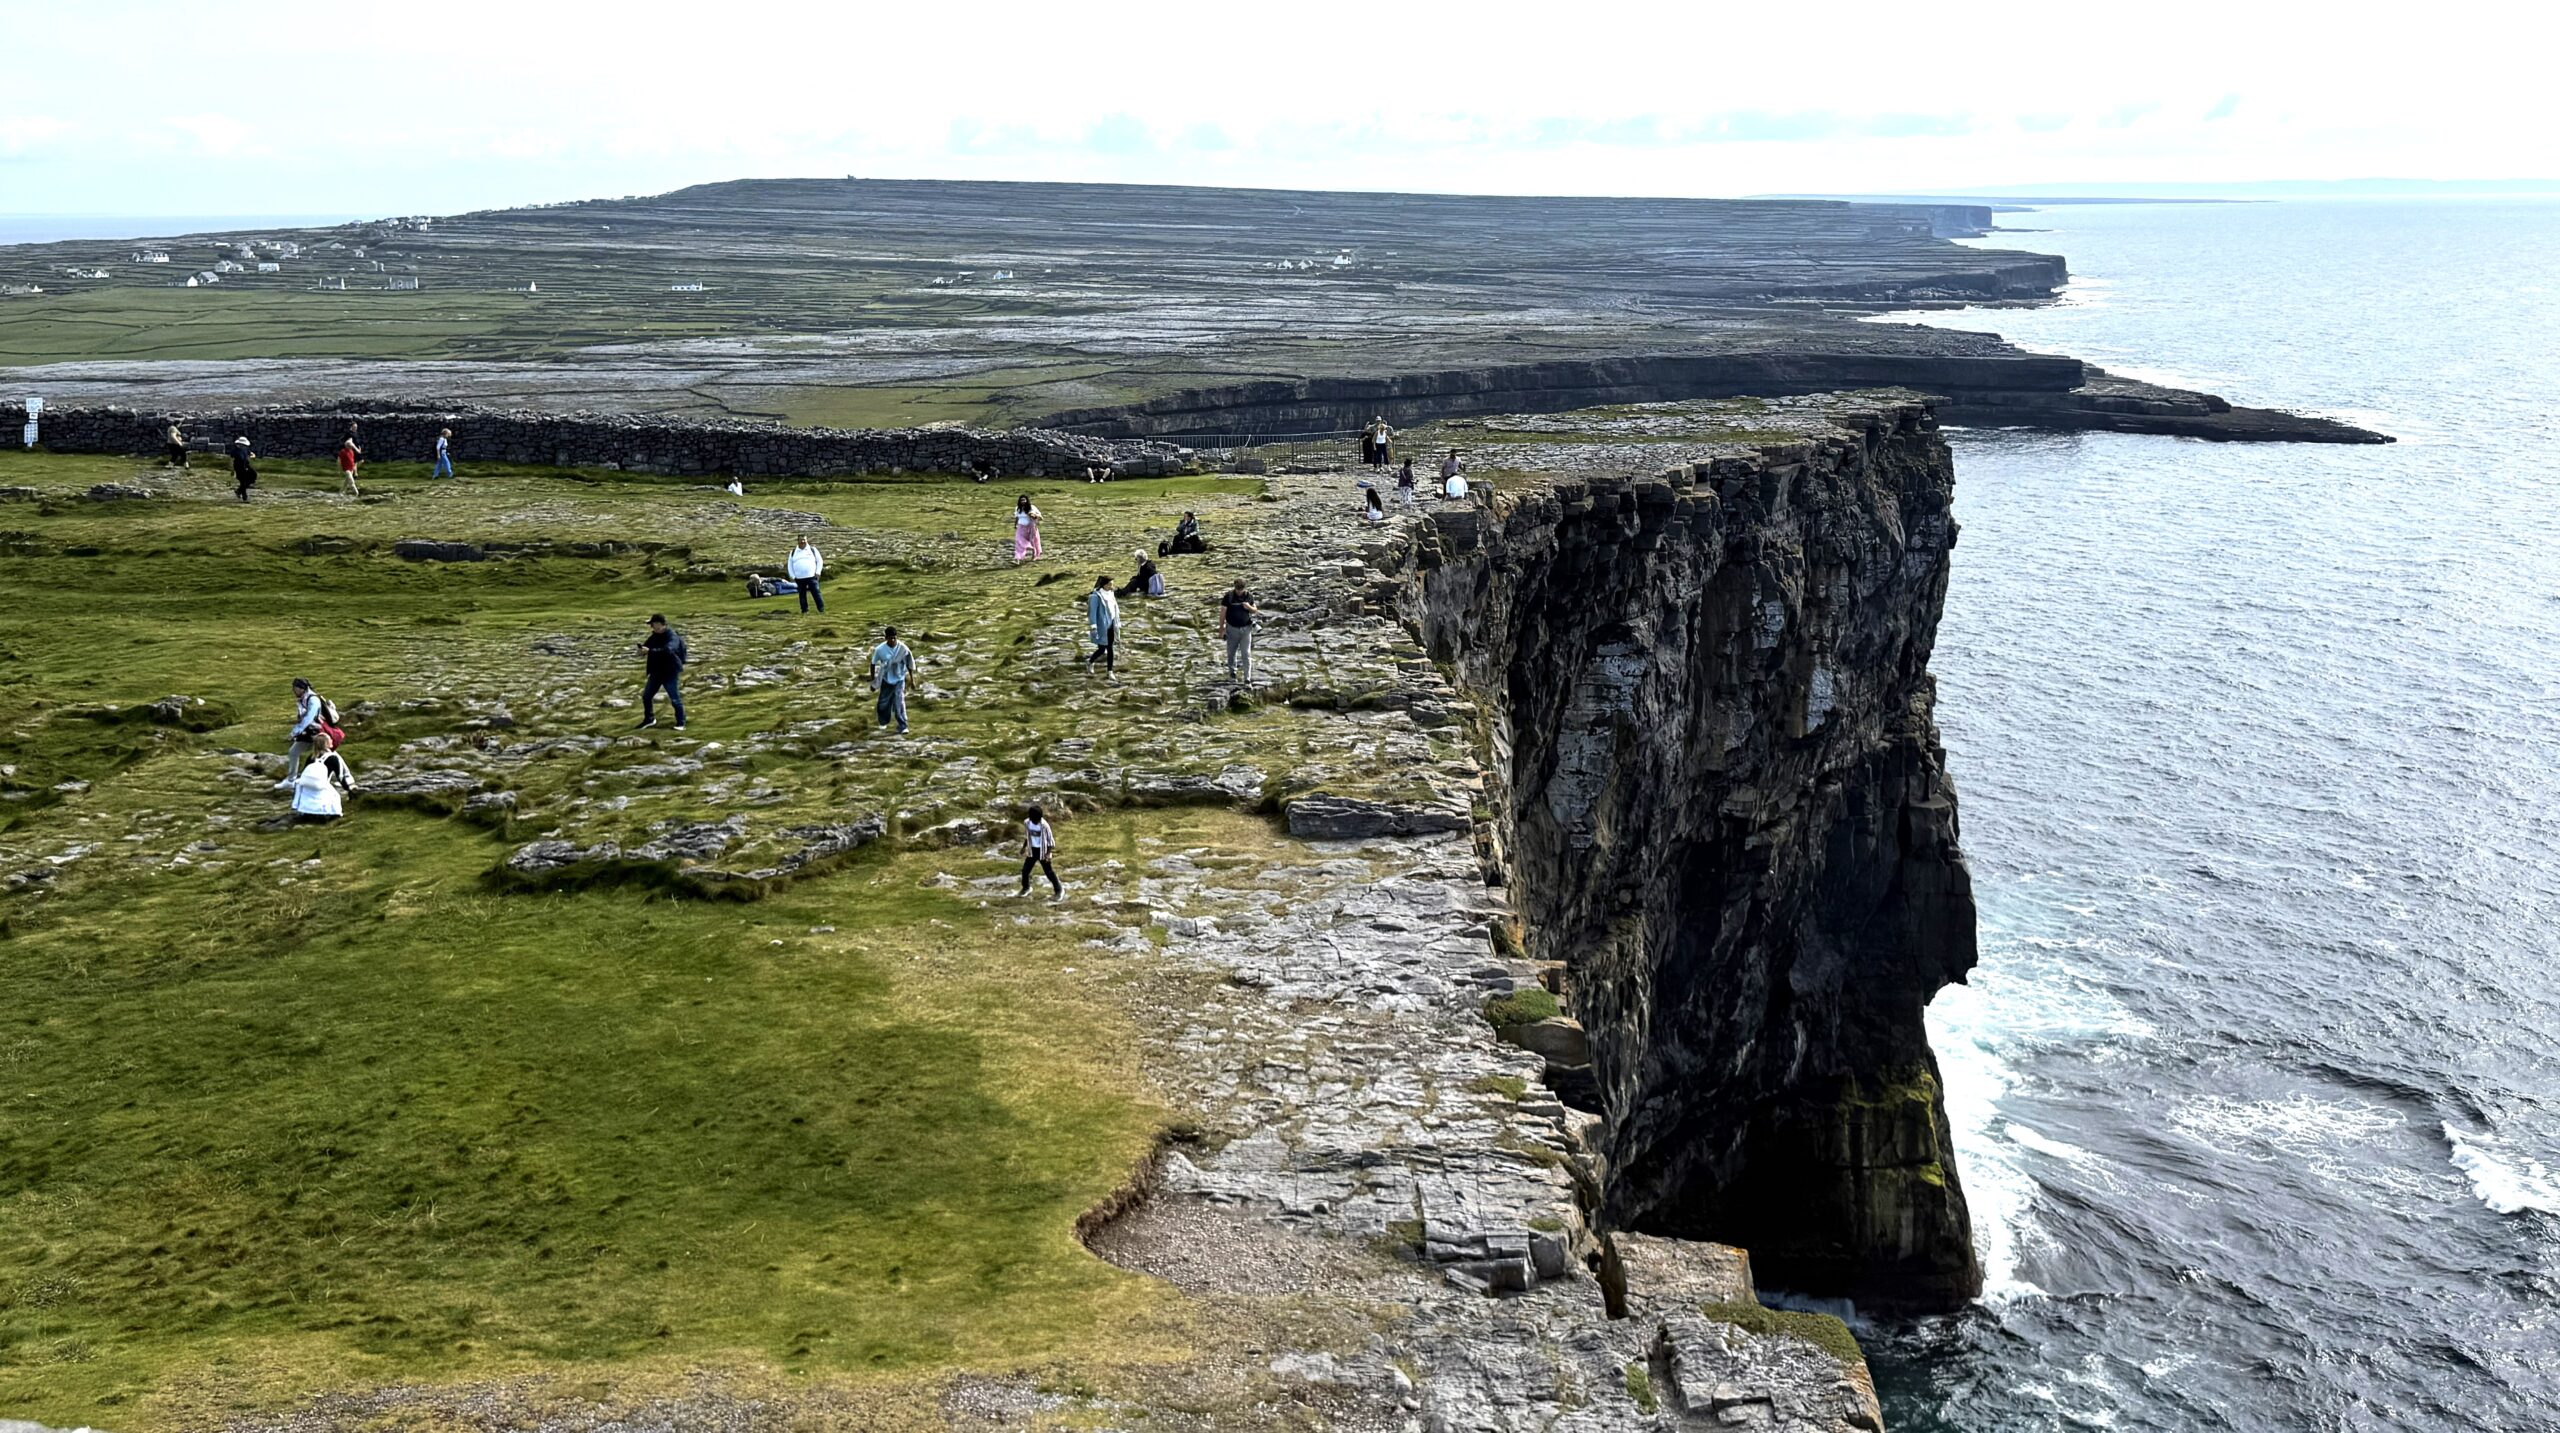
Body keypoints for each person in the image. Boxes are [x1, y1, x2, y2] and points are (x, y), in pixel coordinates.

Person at [290, 729, 355, 822]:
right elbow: (340, 777)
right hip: (322, 787)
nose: (332, 741)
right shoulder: (333, 758)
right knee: (335, 797)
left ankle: (306, 812)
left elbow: (303, 773)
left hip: (307, 790)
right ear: (326, 744)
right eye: (330, 740)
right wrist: (349, 789)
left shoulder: (311, 757)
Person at [637, 613, 687, 730]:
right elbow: (647, 647)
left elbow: (669, 649)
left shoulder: (672, 636)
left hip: (670, 671)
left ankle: (681, 723)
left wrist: (650, 651)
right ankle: (649, 719)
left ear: (660, 624)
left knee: (675, 698)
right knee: (647, 696)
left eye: (653, 624)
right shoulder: (654, 636)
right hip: (656, 672)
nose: (651, 627)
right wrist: (641, 651)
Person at [282, 677, 331, 779]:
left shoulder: (313, 700)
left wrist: (294, 732)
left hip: (317, 732)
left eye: (294, 688)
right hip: (308, 731)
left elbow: (309, 718)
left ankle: (334, 776)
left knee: (326, 755)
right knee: (293, 752)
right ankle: (291, 779)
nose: (293, 690)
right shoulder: (303, 698)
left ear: (301, 688)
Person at [869, 626, 915, 734]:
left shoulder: (903, 649)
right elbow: (873, 663)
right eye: (890, 638)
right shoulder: (880, 649)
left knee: (899, 702)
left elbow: (909, 664)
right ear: (886, 638)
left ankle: (903, 726)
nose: (892, 640)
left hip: (899, 679)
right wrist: (873, 679)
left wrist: (912, 680)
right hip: (886, 679)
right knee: (883, 703)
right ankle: (883, 721)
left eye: (894, 638)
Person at [1017, 804, 1062, 898]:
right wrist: (1024, 847)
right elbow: (1027, 836)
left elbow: (1051, 841)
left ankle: (1059, 890)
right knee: (1025, 871)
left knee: (1049, 872)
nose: (1036, 821)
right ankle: (1026, 888)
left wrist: (1048, 854)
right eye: (1034, 819)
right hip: (1032, 851)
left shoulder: (1045, 826)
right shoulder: (1027, 823)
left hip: (1043, 851)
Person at [1219, 580, 1258, 681]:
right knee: (1231, 652)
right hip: (1232, 629)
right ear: (1235, 587)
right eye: (1237, 589)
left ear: (1244, 588)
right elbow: (1223, 613)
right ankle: (1232, 673)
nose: (1239, 592)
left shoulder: (1249, 596)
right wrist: (1221, 629)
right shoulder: (1228, 597)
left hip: (1246, 629)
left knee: (1246, 653)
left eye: (1241, 589)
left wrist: (1249, 607)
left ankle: (1247, 678)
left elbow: (1255, 610)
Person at [1085, 575, 1121, 675]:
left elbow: (1114, 609)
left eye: (1112, 584)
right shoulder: (1095, 596)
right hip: (1101, 626)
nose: (1111, 586)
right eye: (1109, 584)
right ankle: (1090, 661)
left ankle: (1110, 671)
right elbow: (1092, 612)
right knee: (1101, 649)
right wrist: (1093, 626)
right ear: (1104, 585)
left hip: (1111, 625)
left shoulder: (1111, 594)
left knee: (1110, 648)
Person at [786, 535, 825, 614]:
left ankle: (821, 609)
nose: (803, 541)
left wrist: (818, 572)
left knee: (816, 593)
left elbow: (819, 561)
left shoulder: (813, 550)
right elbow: (789, 565)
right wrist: (792, 576)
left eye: (804, 540)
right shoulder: (793, 552)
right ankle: (804, 610)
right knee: (802, 595)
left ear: (807, 540)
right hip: (799, 578)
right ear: (798, 541)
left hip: (812, 577)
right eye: (801, 540)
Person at [1013, 494, 1044, 562]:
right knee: (1019, 541)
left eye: (1024, 500)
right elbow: (1017, 517)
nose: (1023, 501)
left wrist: (1033, 515)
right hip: (1021, 527)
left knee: (1033, 541)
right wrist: (1015, 525)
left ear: (1027, 500)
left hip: (1031, 527)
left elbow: (1041, 517)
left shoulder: (1032, 507)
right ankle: (1019, 558)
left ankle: (1034, 555)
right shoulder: (1018, 508)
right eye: (1021, 500)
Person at [229, 435, 257, 502]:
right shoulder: (234, 451)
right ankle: (245, 498)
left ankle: (238, 491)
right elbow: (231, 460)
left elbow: (252, 454)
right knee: (243, 482)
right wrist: (232, 470)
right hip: (238, 468)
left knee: (253, 476)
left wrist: (252, 456)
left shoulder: (245, 449)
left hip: (246, 466)